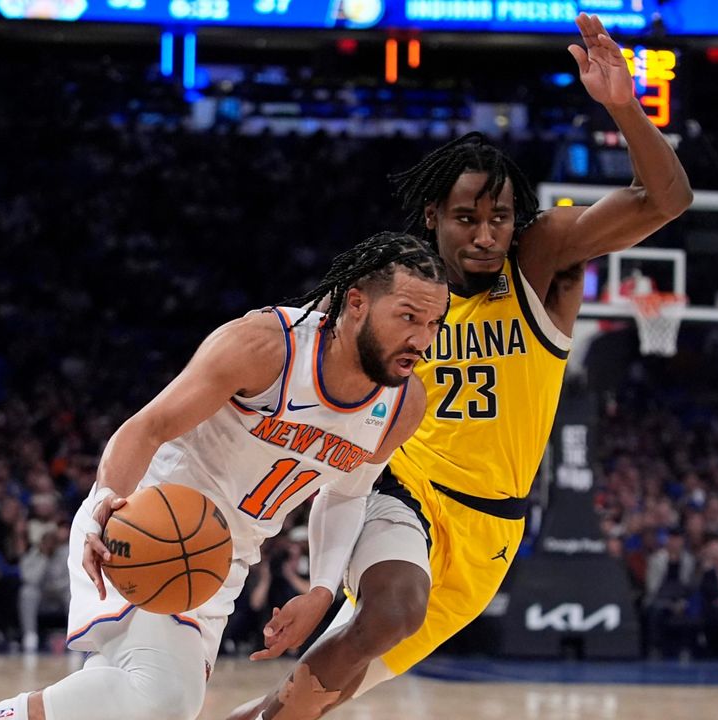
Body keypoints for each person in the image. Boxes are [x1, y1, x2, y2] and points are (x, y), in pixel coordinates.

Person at [228, 13, 692, 720]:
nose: (485, 235)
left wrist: (624, 107)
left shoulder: (543, 260)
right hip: (403, 489)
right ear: (432, 216)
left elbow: (667, 201)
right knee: (391, 612)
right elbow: (295, 357)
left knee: (312, 700)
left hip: (494, 532)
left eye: (499, 218)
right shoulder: (392, 290)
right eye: (466, 218)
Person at [0, 231, 449, 720]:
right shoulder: (266, 346)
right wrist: (104, 507)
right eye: (407, 317)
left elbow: (347, 495)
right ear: (356, 303)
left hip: (217, 565)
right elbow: (147, 427)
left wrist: (323, 590)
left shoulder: (403, 404)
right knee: (161, 700)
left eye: (433, 324)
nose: (421, 339)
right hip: (146, 525)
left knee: (146, 702)